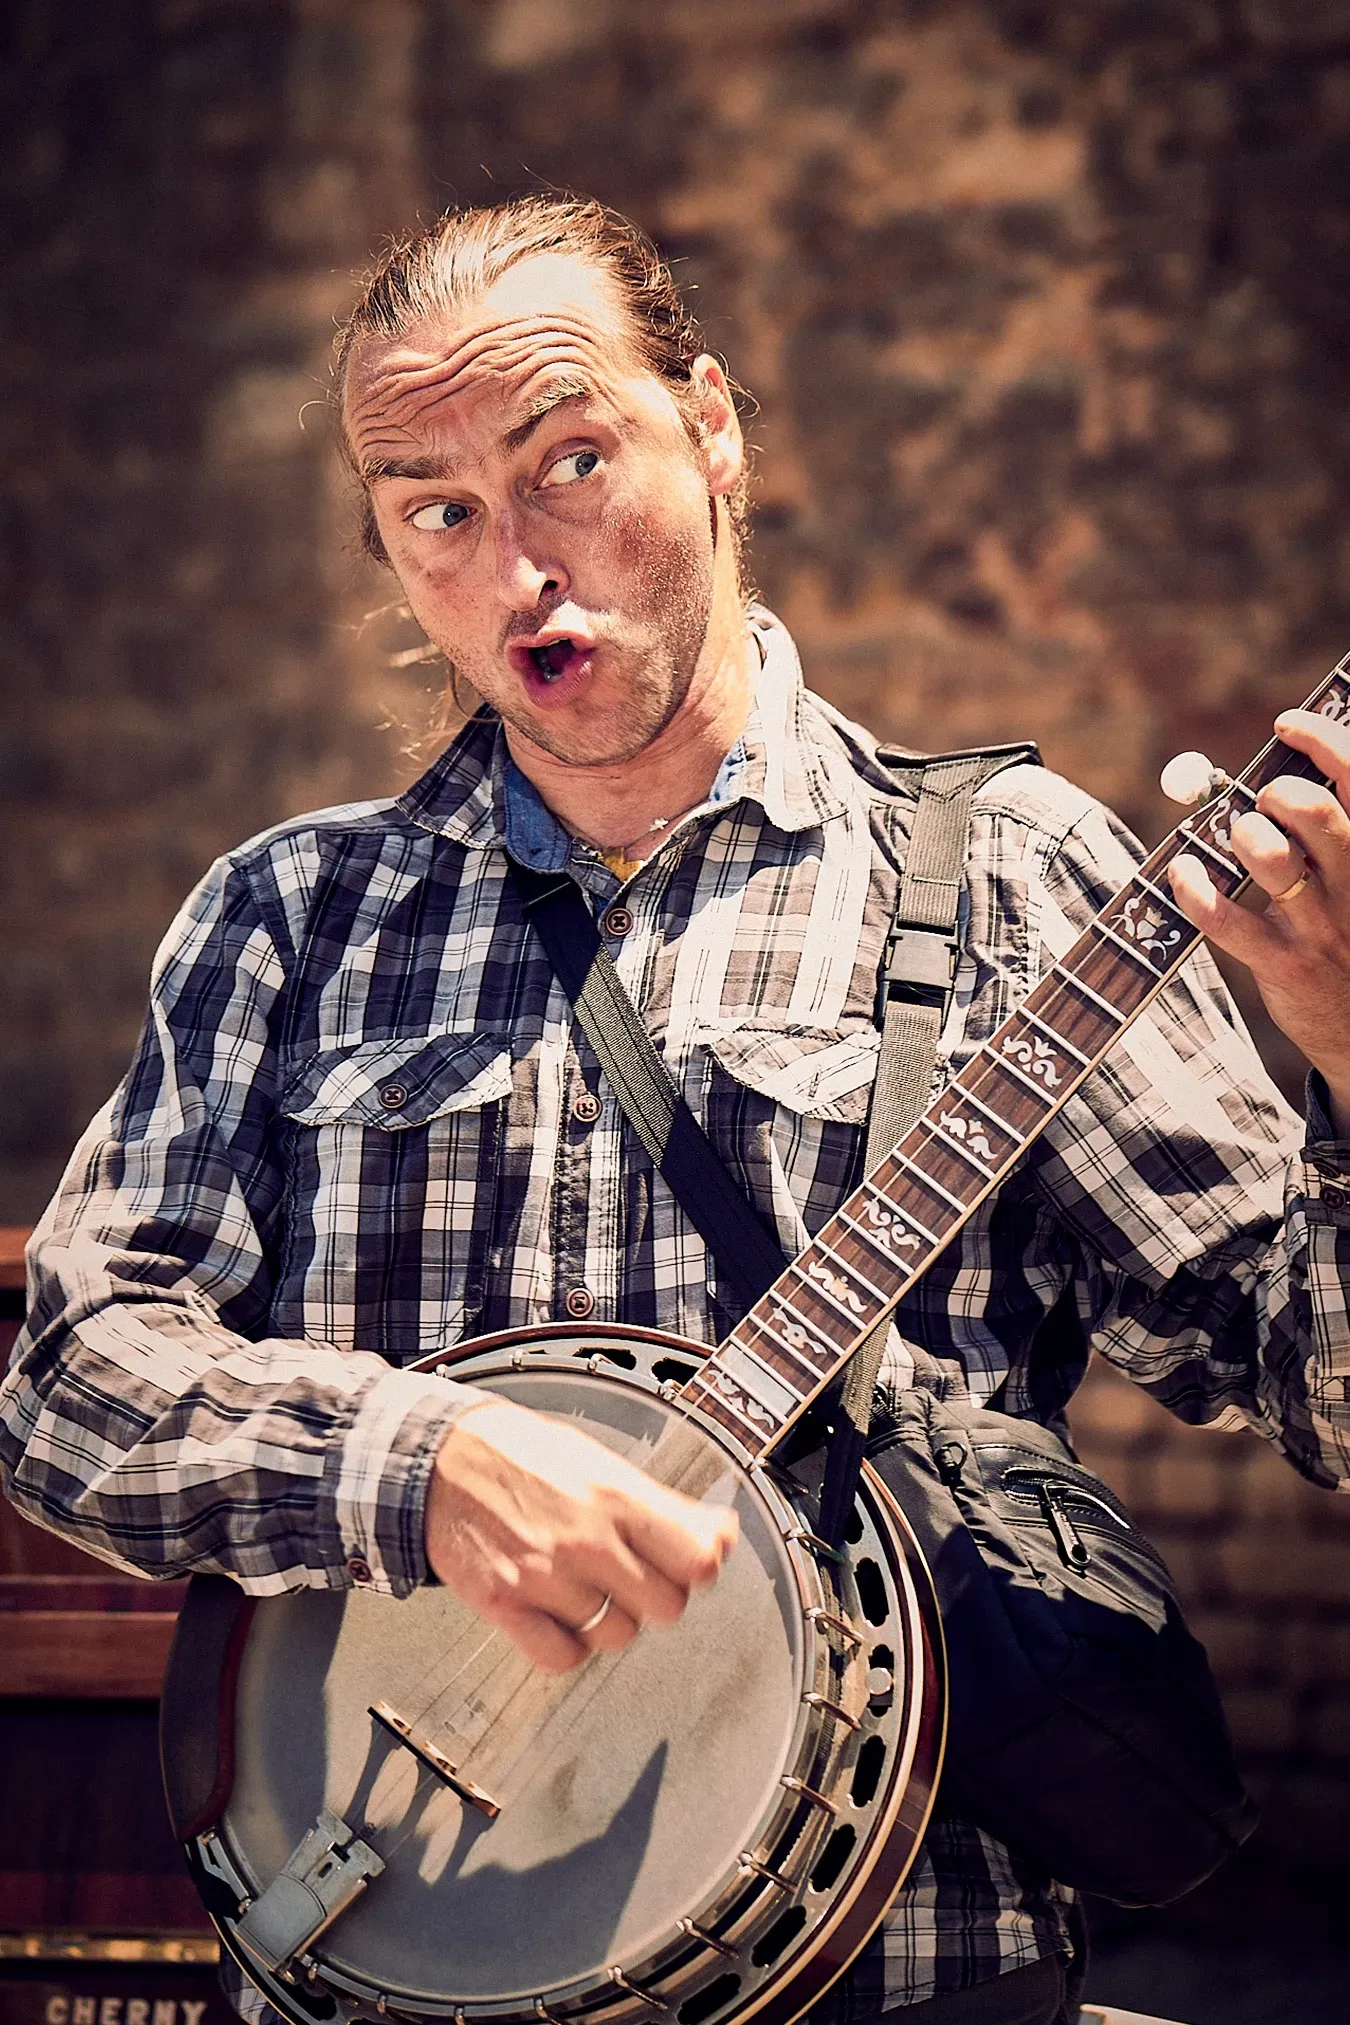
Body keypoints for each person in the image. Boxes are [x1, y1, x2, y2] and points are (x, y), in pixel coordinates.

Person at [3, 194, 1350, 2025]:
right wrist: (416, 1467)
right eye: (437, 511)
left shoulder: (1015, 882)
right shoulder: (291, 920)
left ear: (710, 427)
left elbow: (1316, 1383)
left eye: (568, 462)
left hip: (890, 1973)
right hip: (375, 1961)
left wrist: (1345, 1045)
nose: (514, 567)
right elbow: (71, 1380)